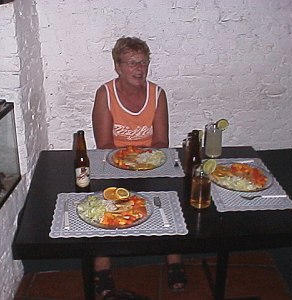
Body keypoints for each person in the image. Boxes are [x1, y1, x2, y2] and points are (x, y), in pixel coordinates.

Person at [92, 36, 187, 296]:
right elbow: (103, 144)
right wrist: (129, 160)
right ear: (118, 66)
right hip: (114, 163)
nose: (139, 69)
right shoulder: (105, 94)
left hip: (150, 162)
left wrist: (144, 160)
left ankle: (174, 260)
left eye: (144, 62)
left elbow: (161, 141)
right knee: (104, 201)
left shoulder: (157, 94)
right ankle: (102, 266)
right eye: (132, 63)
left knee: (171, 197)